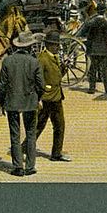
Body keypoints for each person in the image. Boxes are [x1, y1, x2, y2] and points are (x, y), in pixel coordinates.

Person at [0, 31, 45, 177]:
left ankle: (17, 167)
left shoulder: (7, 61)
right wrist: (38, 98)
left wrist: (1, 102)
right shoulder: (34, 62)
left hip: (11, 101)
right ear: (30, 46)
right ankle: (30, 166)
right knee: (30, 134)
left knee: (15, 134)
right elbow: (41, 85)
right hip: (30, 101)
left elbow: (1, 85)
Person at [35, 30, 71, 162]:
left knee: (41, 123)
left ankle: (25, 146)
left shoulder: (53, 57)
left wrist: (64, 67)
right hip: (50, 97)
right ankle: (56, 154)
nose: (58, 47)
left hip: (54, 96)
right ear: (50, 45)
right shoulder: (42, 59)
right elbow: (37, 79)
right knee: (59, 125)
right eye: (56, 45)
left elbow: (56, 76)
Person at [77, 2, 107, 94]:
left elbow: (81, 33)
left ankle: (92, 89)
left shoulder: (90, 22)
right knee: (105, 70)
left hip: (93, 49)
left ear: (97, 11)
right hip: (105, 49)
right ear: (104, 12)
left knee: (92, 69)